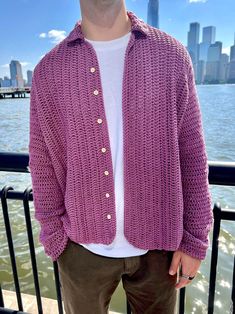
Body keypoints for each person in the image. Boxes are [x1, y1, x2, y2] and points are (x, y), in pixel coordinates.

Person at [28, 0, 214, 313]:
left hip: (161, 249)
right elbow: (42, 161)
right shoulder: (49, 71)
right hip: (79, 249)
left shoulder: (172, 56)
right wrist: (54, 237)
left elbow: (192, 155)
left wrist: (194, 239)